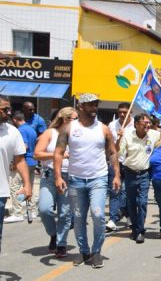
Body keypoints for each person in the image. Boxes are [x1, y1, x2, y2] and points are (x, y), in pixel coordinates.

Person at [55, 93, 120, 268]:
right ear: (81, 107)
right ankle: (84, 251)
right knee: (78, 217)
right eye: (90, 105)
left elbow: (112, 152)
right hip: (75, 179)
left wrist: (117, 175)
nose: (94, 108)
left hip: (98, 178)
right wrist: (58, 176)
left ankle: (96, 251)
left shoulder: (103, 129)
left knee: (98, 214)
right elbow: (59, 152)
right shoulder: (68, 128)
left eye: (95, 104)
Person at [33, 107, 76, 258]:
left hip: (70, 177)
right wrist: (58, 154)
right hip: (50, 175)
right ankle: (53, 234)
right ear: (65, 119)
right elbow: (37, 154)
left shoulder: (77, 135)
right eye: (74, 119)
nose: (78, 123)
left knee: (65, 213)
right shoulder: (50, 133)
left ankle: (61, 243)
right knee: (44, 209)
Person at [118, 113, 159, 243]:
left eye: (149, 122)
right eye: (144, 122)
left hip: (144, 174)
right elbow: (118, 152)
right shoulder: (127, 135)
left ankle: (140, 230)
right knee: (131, 203)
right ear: (136, 124)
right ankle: (134, 228)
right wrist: (118, 139)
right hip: (129, 173)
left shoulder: (154, 135)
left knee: (142, 202)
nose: (147, 125)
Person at [0, 96, 33, 254]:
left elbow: (20, 160)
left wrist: (27, 185)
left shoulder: (13, 132)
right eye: (4, 109)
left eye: (9, 109)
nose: (8, 113)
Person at [106, 102, 132, 232]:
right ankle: (113, 219)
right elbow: (110, 146)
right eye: (120, 112)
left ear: (130, 113)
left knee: (126, 192)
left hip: (130, 163)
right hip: (115, 162)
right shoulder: (112, 125)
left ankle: (127, 214)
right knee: (114, 190)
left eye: (124, 112)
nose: (122, 114)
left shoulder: (135, 125)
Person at [8, 111, 37, 222]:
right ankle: (32, 211)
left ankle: (18, 212)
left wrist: (15, 163)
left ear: (15, 120)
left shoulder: (20, 130)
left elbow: (23, 147)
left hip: (23, 162)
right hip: (32, 162)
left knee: (15, 187)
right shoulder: (31, 129)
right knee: (29, 187)